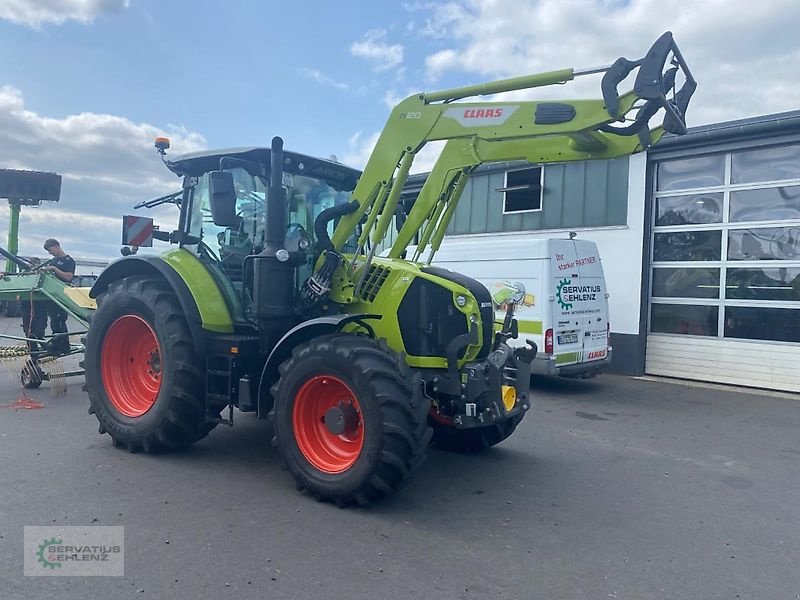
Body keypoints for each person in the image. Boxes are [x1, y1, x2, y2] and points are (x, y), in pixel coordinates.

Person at [41, 239, 75, 354]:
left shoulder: (68, 261)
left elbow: (68, 277)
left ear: (56, 246)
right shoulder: (53, 260)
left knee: (58, 321)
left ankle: (56, 347)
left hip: (61, 294)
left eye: (50, 250)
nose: (50, 253)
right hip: (52, 294)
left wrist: (55, 269)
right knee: (56, 320)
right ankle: (65, 346)